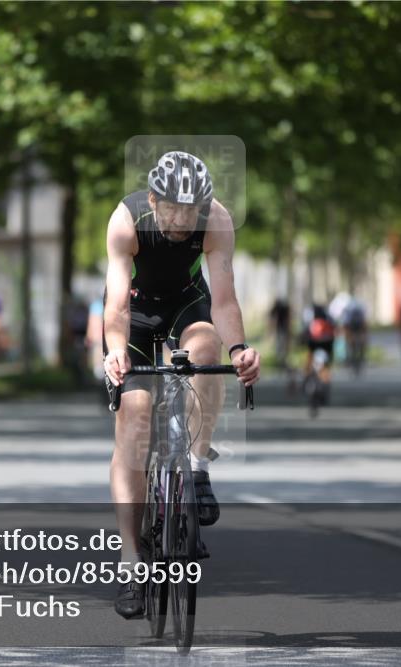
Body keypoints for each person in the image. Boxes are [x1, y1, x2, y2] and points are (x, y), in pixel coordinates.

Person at [103, 151, 261, 619]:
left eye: (190, 210)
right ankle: (131, 561)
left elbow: (226, 300)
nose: (180, 219)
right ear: (153, 199)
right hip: (133, 313)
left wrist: (240, 351)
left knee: (207, 349)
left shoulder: (216, 221)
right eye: (171, 207)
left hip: (187, 306)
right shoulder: (126, 221)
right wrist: (114, 350)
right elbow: (115, 306)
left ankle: (195, 465)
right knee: (133, 419)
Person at [303, 302, 336, 396]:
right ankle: (325, 383)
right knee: (326, 365)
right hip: (327, 344)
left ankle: (306, 377)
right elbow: (333, 332)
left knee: (309, 359)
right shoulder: (328, 317)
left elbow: (305, 334)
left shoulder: (309, 318)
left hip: (313, 344)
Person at [269, 298, 291, 370]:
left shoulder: (284, 308)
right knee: (281, 344)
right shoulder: (280, 308)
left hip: (283, 328)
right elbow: (272, 318)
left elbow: (288, 318)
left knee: (282, 345)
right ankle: (281, 360)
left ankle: (282, 360)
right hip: (281, 328)